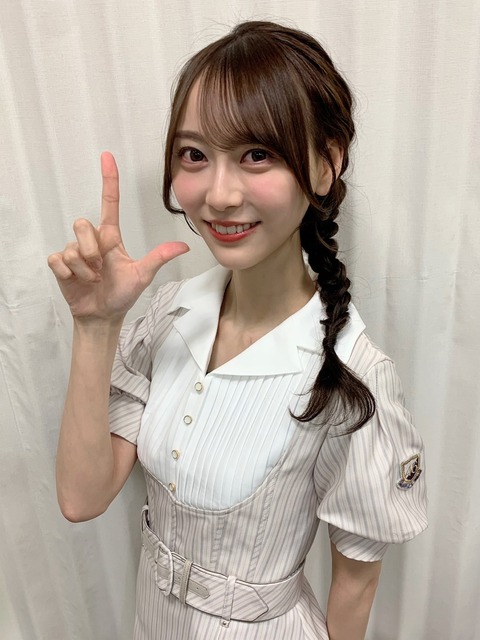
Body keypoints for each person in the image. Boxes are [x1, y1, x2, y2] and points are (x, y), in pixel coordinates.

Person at [48, 20, 427, 640]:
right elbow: (81, 499)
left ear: (326, 165)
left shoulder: (352, 375)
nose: (219, 195)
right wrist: (96, 325)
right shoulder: (166, 316)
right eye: (195, 155)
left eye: (257, 154)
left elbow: (355, 587)